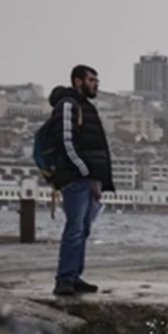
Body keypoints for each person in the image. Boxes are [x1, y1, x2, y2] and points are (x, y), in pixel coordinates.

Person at [47, 65, 114, 296]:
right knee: (74, 229)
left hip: (87, 179)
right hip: (75, 179)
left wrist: (97, 179)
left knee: (83, 229)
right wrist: (85, 172)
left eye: (97, 80)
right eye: (91, 79)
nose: (96, 84)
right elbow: (66, 142)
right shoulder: (68, 105)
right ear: (78, 81)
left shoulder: (85, 107)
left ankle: (74, 276)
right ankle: (64, 278)